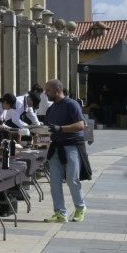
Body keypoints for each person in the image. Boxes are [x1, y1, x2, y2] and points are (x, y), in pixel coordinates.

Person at [42, 79, 91, 224]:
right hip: (55, 147)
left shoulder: (71, 104)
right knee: (55, 182)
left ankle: (80, 208)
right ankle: (60, 213)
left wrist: (61, 128)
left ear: (58, 90)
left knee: (72, 179)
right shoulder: (51, 108)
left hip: (71, 147)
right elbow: (49, 128)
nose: (45, 93)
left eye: (48, 90)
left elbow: (81, 125)